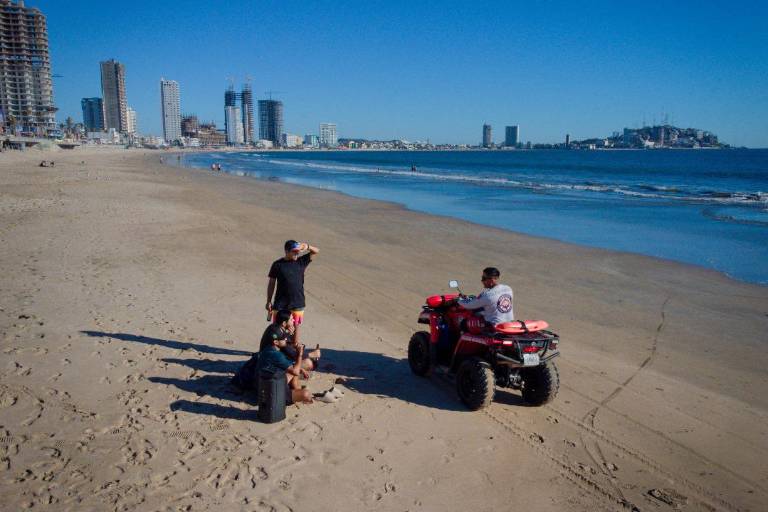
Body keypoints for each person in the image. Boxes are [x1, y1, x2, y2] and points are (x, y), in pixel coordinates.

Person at [266, 240, 319, 347]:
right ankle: (273, 349)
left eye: (298, 251)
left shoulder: (301, 262)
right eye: (294, 251)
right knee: (277, 329)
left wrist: (307, 246)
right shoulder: (277, 265)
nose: (296, 253)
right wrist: (268, 301)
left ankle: (293, 347)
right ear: (286, 251)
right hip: (280, 303)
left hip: (297, 302)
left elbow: (316, 251)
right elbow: (271, 283)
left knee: (295, 328)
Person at [257, 314, 313, 405]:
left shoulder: (269, 348)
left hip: (263, 383)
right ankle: (296, 393)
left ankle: (296, 390)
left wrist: (300, 369)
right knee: (306, 394)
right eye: (284, 339)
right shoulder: (276, 355)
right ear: (276, 342)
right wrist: (300, 354)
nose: (286, 341)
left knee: (295, 371)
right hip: (273, 393)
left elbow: (293, 369)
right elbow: (295, 371)